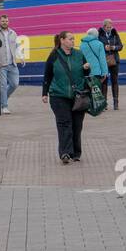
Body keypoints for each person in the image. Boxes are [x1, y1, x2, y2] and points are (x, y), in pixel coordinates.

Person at [42, 31, 91, 163]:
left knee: (77, 125)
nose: (73, 41)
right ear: (62, 40)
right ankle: (65, 153)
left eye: (73, 39)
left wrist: (87, 68)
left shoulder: (79, 54)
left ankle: (76, 153)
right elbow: (47, 75)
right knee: (64, 123)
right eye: (70, 39)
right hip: (59, 95)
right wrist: (44, 93)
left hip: (78, 95)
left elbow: (87, 72)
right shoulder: (54, 55)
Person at [0, 14, 23, 115]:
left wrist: (21, 57)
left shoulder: (13, 33)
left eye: (6, 21)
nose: (5, 23)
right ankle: (4, 106)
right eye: (3, 21)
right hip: (1, 64)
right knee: (2, 85)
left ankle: (1, 100)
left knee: (14, 84)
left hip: (12, 63)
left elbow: (16, 46)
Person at [98, 18, 125, 110]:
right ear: (104, 27)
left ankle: (116, 103)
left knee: (115, 81)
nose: (109, 29)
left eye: (110, 27)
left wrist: (113, 47)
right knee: (104, 82)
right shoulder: (99, 35)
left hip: (114, 61)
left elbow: (121, 46)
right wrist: (103, 47)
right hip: (104, 61)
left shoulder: (115, 34)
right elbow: (97, 46)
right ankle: (104, 103)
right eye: (107, 27)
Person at [78, 25, 109, 104]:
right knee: (97, 90)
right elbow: (102, 59)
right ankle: (98, 106)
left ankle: (89, 105)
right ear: (96, 35)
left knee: (87, 89)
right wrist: (105, 72)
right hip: (97, 71)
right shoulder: (99, 44)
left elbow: (80, 59)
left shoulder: (81, 44)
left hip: (86, 71)